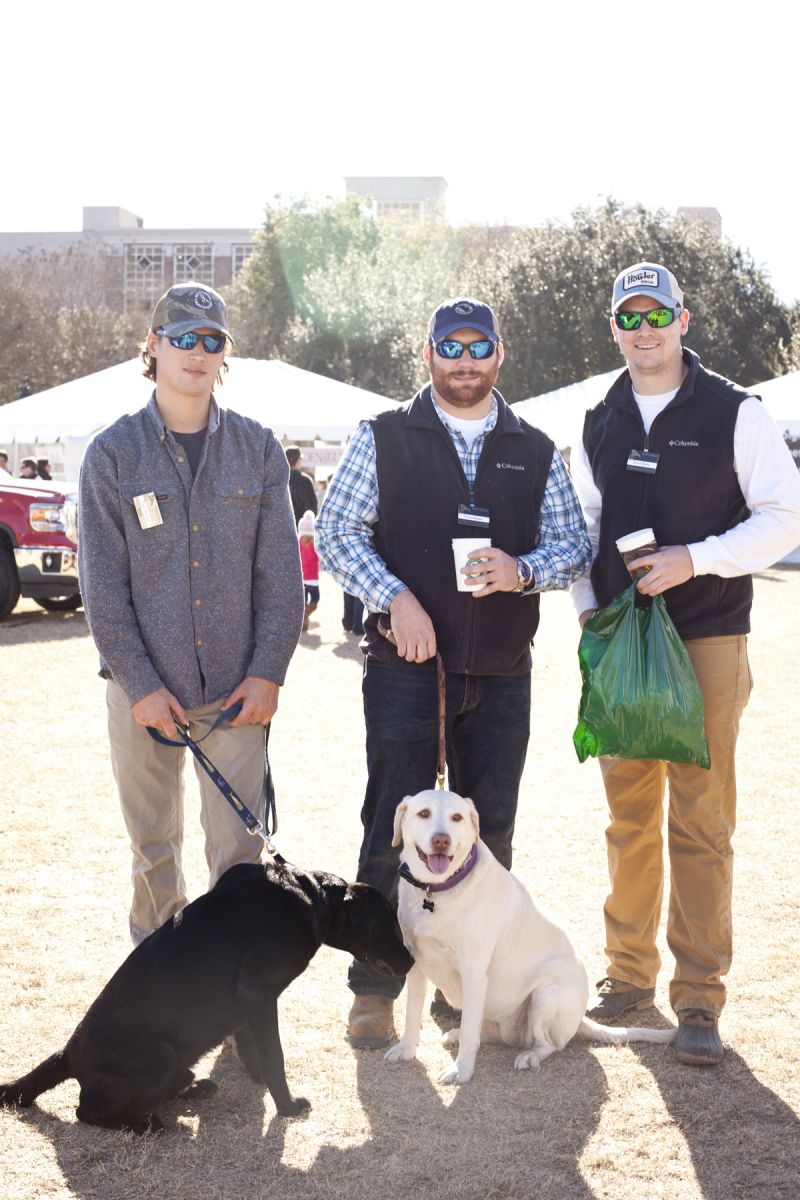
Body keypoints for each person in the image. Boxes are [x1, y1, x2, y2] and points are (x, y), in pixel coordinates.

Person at [316, 297, 591, 1046]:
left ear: (499, 354)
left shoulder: (534, 447)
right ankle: (374, 986)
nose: (464, 362)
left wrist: (523, 568)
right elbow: (337, 532)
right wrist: (394, 598)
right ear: (428, 354)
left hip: (503, 668)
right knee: (391, 827)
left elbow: (573, 546)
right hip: (406, 666)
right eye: (450, 347)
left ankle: (462, 988)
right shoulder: (382, 436)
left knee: (488, 830)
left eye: (479, 348)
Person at [570, 261, 800, 1066]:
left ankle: (699, 997)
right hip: (622, 644)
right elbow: (582, 527)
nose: (643, 330)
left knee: (700, 820)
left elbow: (785, 517)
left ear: (683, 319)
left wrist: (695, 559)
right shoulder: (598, 415)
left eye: (655, 315)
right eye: (628, 318)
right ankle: (627, 977)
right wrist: (585, 613)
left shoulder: (737, 412)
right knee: (628, 818)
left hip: (705, 638)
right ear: (614, 329)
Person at [79, 282, 304, 945]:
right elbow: (104, 588)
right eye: (182, 339)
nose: (197, 353)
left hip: (238, 696)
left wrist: (268, 673)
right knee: (155, 855)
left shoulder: (259, 450)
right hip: (141, 696)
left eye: (212, 341)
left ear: (224, 354)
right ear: (153, 347)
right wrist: (141, 686)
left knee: (240, 861)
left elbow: (282, 579)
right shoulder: (112, 455)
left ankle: (238, 1018)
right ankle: (157, 1010)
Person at [298, 509, 320, 631]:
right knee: (315, 600)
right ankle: (305, 616)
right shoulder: (315, 543)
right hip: (312, 577)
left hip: (302, 577)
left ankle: (303, 620)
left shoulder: (298, 541)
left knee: (304, 602)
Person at [286, 445, 318, 525]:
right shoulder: (305, 481)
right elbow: (312, 510)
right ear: (298, 461)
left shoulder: (278, 479)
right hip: (302, 529)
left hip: (282, 527)